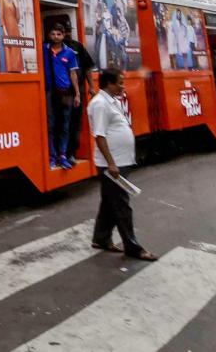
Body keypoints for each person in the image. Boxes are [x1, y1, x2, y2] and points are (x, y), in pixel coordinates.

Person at [89, 67, 158, 261]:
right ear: (109, 83)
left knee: (110, 202)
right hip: (113, 163)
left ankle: (101, 238)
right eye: (120, 82)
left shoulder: (110, 101)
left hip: (119, 161)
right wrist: (111, 164)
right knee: (121, 204)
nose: (122, 86)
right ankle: (133, 247)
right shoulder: (101, 104)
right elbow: (99, 136)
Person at [43, 24, 80, 170]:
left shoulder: (70, 53)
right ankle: (52, 156)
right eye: (53, 33)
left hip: (65, 91)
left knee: (64, 124)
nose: (55, 37)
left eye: (58, 34)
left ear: (63, 35)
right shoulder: (43, 50)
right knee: (51, 125)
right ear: (48, 35)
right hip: (49, 91)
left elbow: (73, 74)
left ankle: (62, 155)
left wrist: (77, 93)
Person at [60, 23, 96, 162]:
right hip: (60, 91)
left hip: (76, 91)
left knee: (74, 122)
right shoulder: (51, 48)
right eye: (64, 31)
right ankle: (62, 153)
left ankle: (71, 153)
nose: (67, 33)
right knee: (62, 122)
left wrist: (91, 86)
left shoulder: (77, 46)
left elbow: (87, 68)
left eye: (68, 30)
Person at [0, 0, 25, 73]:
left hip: (15, 29)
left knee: (16, 51)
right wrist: (4, 30)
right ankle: (11, 72)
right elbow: (1, 15)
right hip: (7, 29)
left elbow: (18, 18)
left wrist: (16, 6)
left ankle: (17, 72)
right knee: (8, 53)